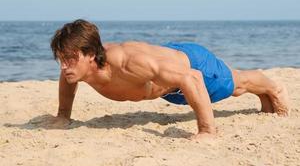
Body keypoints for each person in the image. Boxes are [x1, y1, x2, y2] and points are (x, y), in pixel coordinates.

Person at [48, 19, 290, 140]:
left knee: (234, 86)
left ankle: (272, 86)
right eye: (61, 59)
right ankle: (263, 94)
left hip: (191, 65)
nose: (64, 66)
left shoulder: (129, 63)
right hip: (169, 87)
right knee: (228, 87)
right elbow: (67, 82)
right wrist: (63, 116)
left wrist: (206, 131)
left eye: (70, 59)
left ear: (91, 54)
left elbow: (192, 77)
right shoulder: (77, 69)